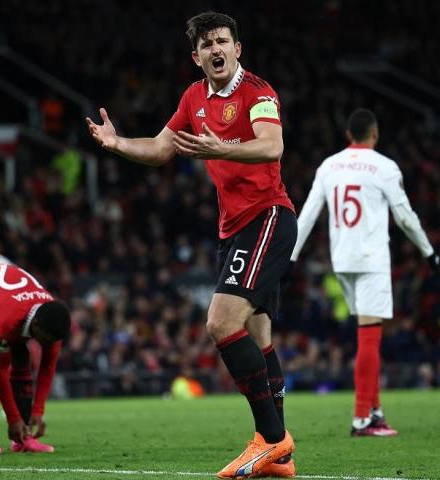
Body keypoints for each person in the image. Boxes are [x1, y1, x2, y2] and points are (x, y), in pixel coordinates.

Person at [86, 11, 296, 478]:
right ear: (196, 56)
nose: (216, 50)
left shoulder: (257, 92)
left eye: (223, 41)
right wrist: (118, 143)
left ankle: (271, 439)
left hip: (267, 218)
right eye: (207, 45)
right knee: (259, 336)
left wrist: (219, 148)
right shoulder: (194, 97)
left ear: (237, 48)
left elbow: (272, 146)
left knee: (221, 322)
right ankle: (280, 458)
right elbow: (163, 149)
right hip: (233, 229)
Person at [289, 108, 440, 437]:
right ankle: (361, 419)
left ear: (348, 135)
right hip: (371, 259)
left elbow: (309, 213)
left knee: (365, 333)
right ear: (374, 134)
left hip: (341, 259)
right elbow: (404, 215)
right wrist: (428, 250)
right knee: (370, 336)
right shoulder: (384, 166)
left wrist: (291, 255)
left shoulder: (329, 166)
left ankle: (375, 411)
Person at [0, 262, 70, 455]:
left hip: (5, 299)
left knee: (22, 356)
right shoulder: (8, 322)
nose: (45, 344)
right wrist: (12, 418)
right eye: (43, 339)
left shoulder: (53, 323)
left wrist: (38, 411)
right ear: (34, 324)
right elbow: (0, 373)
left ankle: (23, 438)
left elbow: (48, 367)